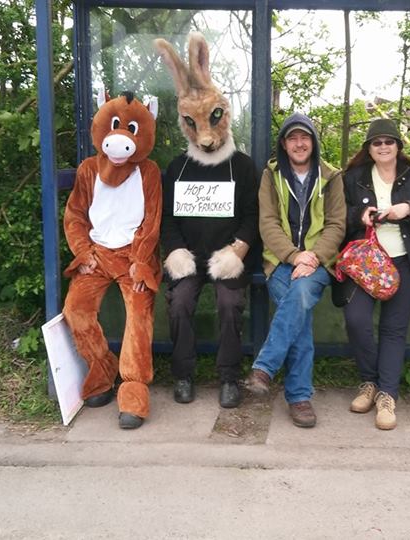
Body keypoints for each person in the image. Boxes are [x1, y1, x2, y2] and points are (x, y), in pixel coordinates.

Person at [155, 33, 260, 409]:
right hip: (190, 256)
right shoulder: (177, 167)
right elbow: (168, 217)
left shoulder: (242, 166)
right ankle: (183, 374)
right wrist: (175, 250)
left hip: (227, 255)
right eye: (192, 122)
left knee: (230, 305)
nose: (205, 136)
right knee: (180, 302)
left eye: (213, 118)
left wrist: (238, 250)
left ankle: (228, 377)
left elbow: (253, 214)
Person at [62, 92, 161, 430]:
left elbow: (151, 221)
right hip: (97, 254)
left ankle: (133, 391)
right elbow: (75, 215)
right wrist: (83, 252)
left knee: (139, 315)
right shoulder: (88, 169)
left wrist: (141, 260)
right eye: (116, 126)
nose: (120, 138)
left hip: (133, 255)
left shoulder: (148, 171)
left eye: (130, 129)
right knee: (75, 309)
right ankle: (102, 369)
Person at [243, 113, 346, 428]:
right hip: (279, 261)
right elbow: (267, 223)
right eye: (292, 138)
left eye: (305, 138)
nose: (299, 144)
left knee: (300, 294)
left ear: (313, 142)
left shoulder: (331, 176)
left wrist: (312, 257)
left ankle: (264, 368)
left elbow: (336, 224)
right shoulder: (271, 175)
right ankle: (299, 397)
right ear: (284, 144)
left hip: (318, 262)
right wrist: (293, 255)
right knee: (300, 315)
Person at [340, 119, 410, 430]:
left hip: (405, 262)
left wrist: (408, 209)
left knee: (393, 330)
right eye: (377, 142)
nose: (383, 147)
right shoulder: (354, 178)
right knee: (356, 320)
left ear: (398, 145)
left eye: (389, 141)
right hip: (366, 263)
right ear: (369, 148)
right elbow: (336, 215)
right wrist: (359, 215)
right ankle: (369, 381)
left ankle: (387, 395)